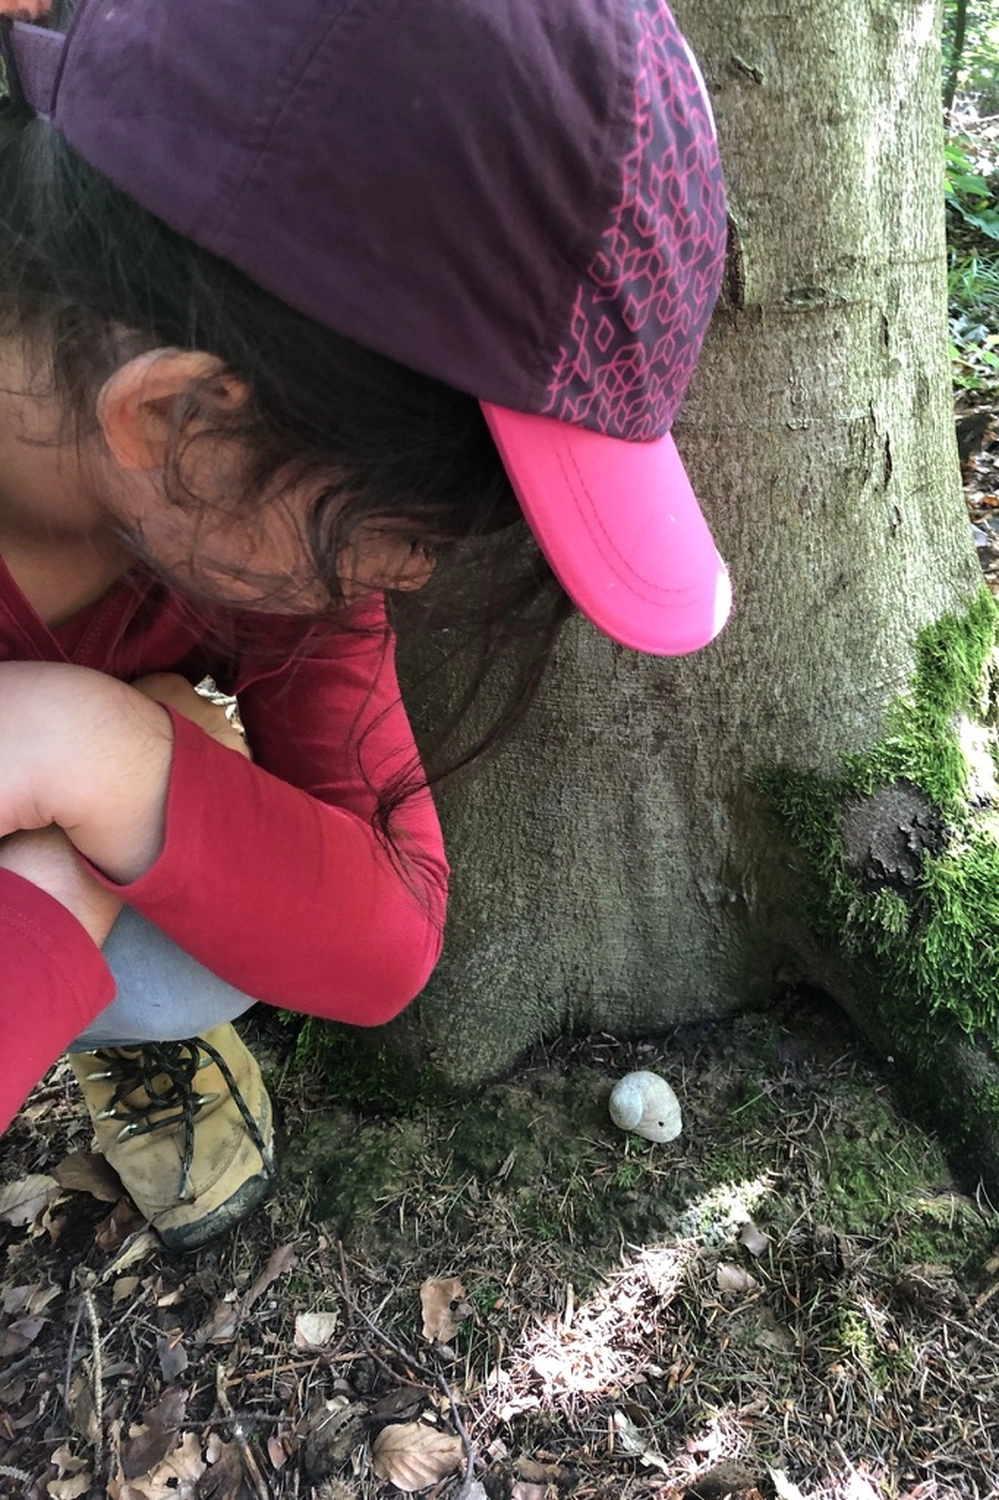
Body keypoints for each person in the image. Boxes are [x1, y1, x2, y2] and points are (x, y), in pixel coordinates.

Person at [0, 0, 731, 1250]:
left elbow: (389, 940)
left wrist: (89, 755)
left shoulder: (248, 542)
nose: (417, 572)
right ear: (180, 418)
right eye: (418, 524)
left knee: (202, 902)